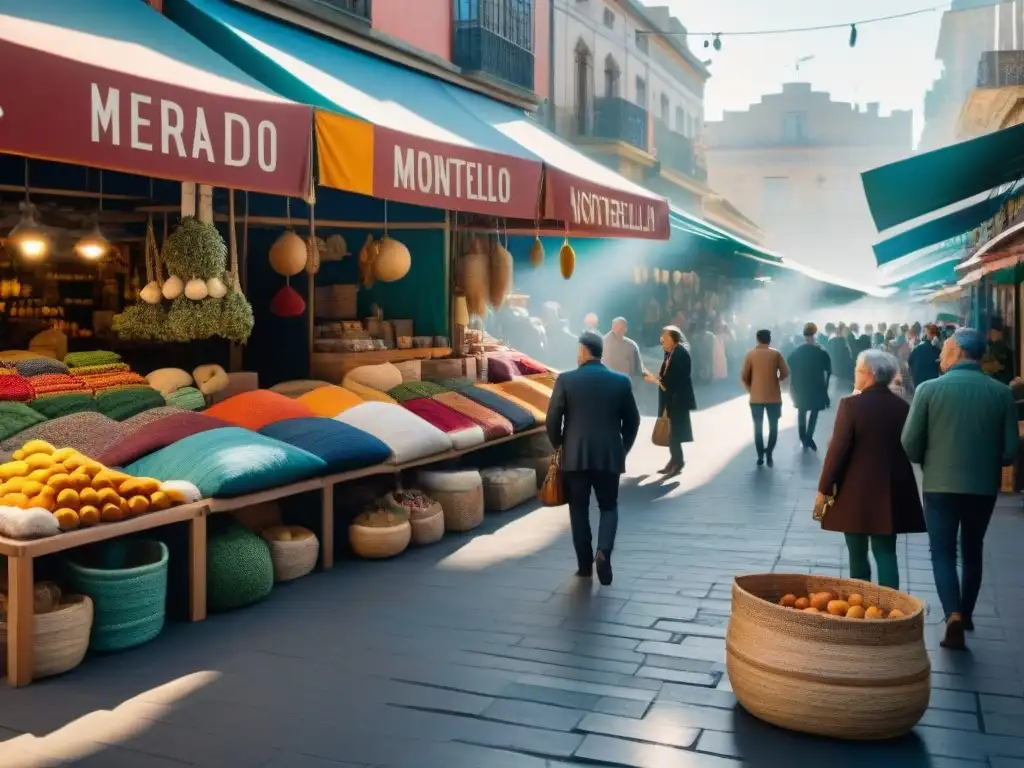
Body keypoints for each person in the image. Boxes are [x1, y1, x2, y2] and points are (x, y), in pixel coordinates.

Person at [902, 328, 1018, 649]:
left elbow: (909, 443)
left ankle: (951, 613)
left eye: (946, 349)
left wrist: (928, 458)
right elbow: (1010, 451)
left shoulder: (928, 390)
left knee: (941, 552)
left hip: (939, 485)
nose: (941, 355)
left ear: (957, 352)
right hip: (982, 487)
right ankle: (966, 614)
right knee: (972, 549)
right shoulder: (1001, 393)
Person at [817, 350, 925, 590]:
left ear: (869, 374)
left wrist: (824, 487)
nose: (855, 374)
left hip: (855, 490)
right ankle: (891, 609)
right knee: (886, 551)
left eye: (857, 370)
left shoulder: (851, 405)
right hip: (891, 488)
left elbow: (838, 451)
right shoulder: (901, 406)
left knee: (856, 550)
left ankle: (860, 601)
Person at [546, 332, 641, 586]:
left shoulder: (566, 380)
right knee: (609, 507)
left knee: (578, 509)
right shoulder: (620, 382)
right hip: (609, 456)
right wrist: (623, 448)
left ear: (583, 351)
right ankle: (603, 552)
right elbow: (633, 420)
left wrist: (559, 444)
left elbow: (553, 418)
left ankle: (584, 566)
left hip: (575, 457)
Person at [645, 325, 696, 478]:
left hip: (677, 399)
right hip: (672, 398)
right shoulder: (671, 352)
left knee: (675, 433)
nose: (662, 340)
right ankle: (675, 460)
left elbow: (675, 378)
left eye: (665, 337)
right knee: (673, 432)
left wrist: (656, 380)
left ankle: (677, 462)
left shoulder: (679, 353)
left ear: (674, 338)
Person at [741, 329, 790, 466]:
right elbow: (785, 372)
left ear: (757, 339)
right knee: (773, 426)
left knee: (758, 427)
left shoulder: (750, 355)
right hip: (774, 397)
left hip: (756, 398)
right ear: (770, 339)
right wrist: (777, 380)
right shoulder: (776, 354)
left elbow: (744, 376)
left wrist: (751, 388)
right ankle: (769, 452)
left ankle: (760, 456)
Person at [787, 323, 831, 450]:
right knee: (814, 411)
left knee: (802, 411)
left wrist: (790, 384)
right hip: (816, 387)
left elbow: (787, 367)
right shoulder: (821, 352)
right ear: (814, 336)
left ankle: (803, 437)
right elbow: (828, 371)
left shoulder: (796, 352)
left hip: (800, 388)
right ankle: (808, 437)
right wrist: (825, 388)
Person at [908, 323, 941, 388]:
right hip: (932, 383)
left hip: (918, 382)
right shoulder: (938, 351)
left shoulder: (918, 348)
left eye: (925, 332)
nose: (924, 334)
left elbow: (909, 361)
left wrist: (912, 373)